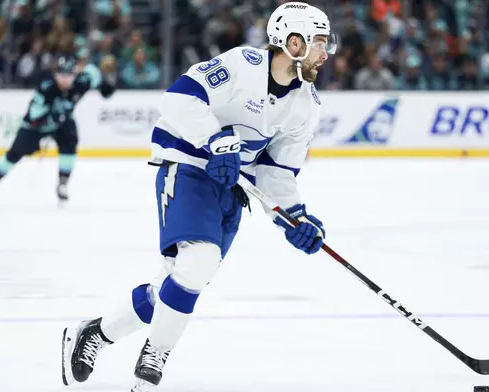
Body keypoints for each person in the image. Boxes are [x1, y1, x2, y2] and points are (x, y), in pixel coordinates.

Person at [60, 2, 337, 391]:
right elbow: (179, 98)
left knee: (178, 284)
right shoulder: (242, 64)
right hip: (190, 167)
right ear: (293, 43)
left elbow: (276, 174)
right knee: (199, 262)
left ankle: (95, 334)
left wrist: (294, 217)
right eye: (319, 43)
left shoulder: (306, 106)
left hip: (232, 188)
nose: (327, 54)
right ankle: (151, 366)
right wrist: (215, 140)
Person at [0, 54, 117, 202]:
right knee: (14, 154)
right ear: (55, 74)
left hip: (63, 121)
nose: (65, 79)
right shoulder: (46, 88)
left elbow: (102, 87)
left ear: (75, 74)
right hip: (36, 127)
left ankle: (63, 184)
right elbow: (34, 116)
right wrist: (52, 117)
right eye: (61, 75)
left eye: (69, 75)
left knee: (70, 142)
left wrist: (108, 84)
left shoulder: (84, 80)